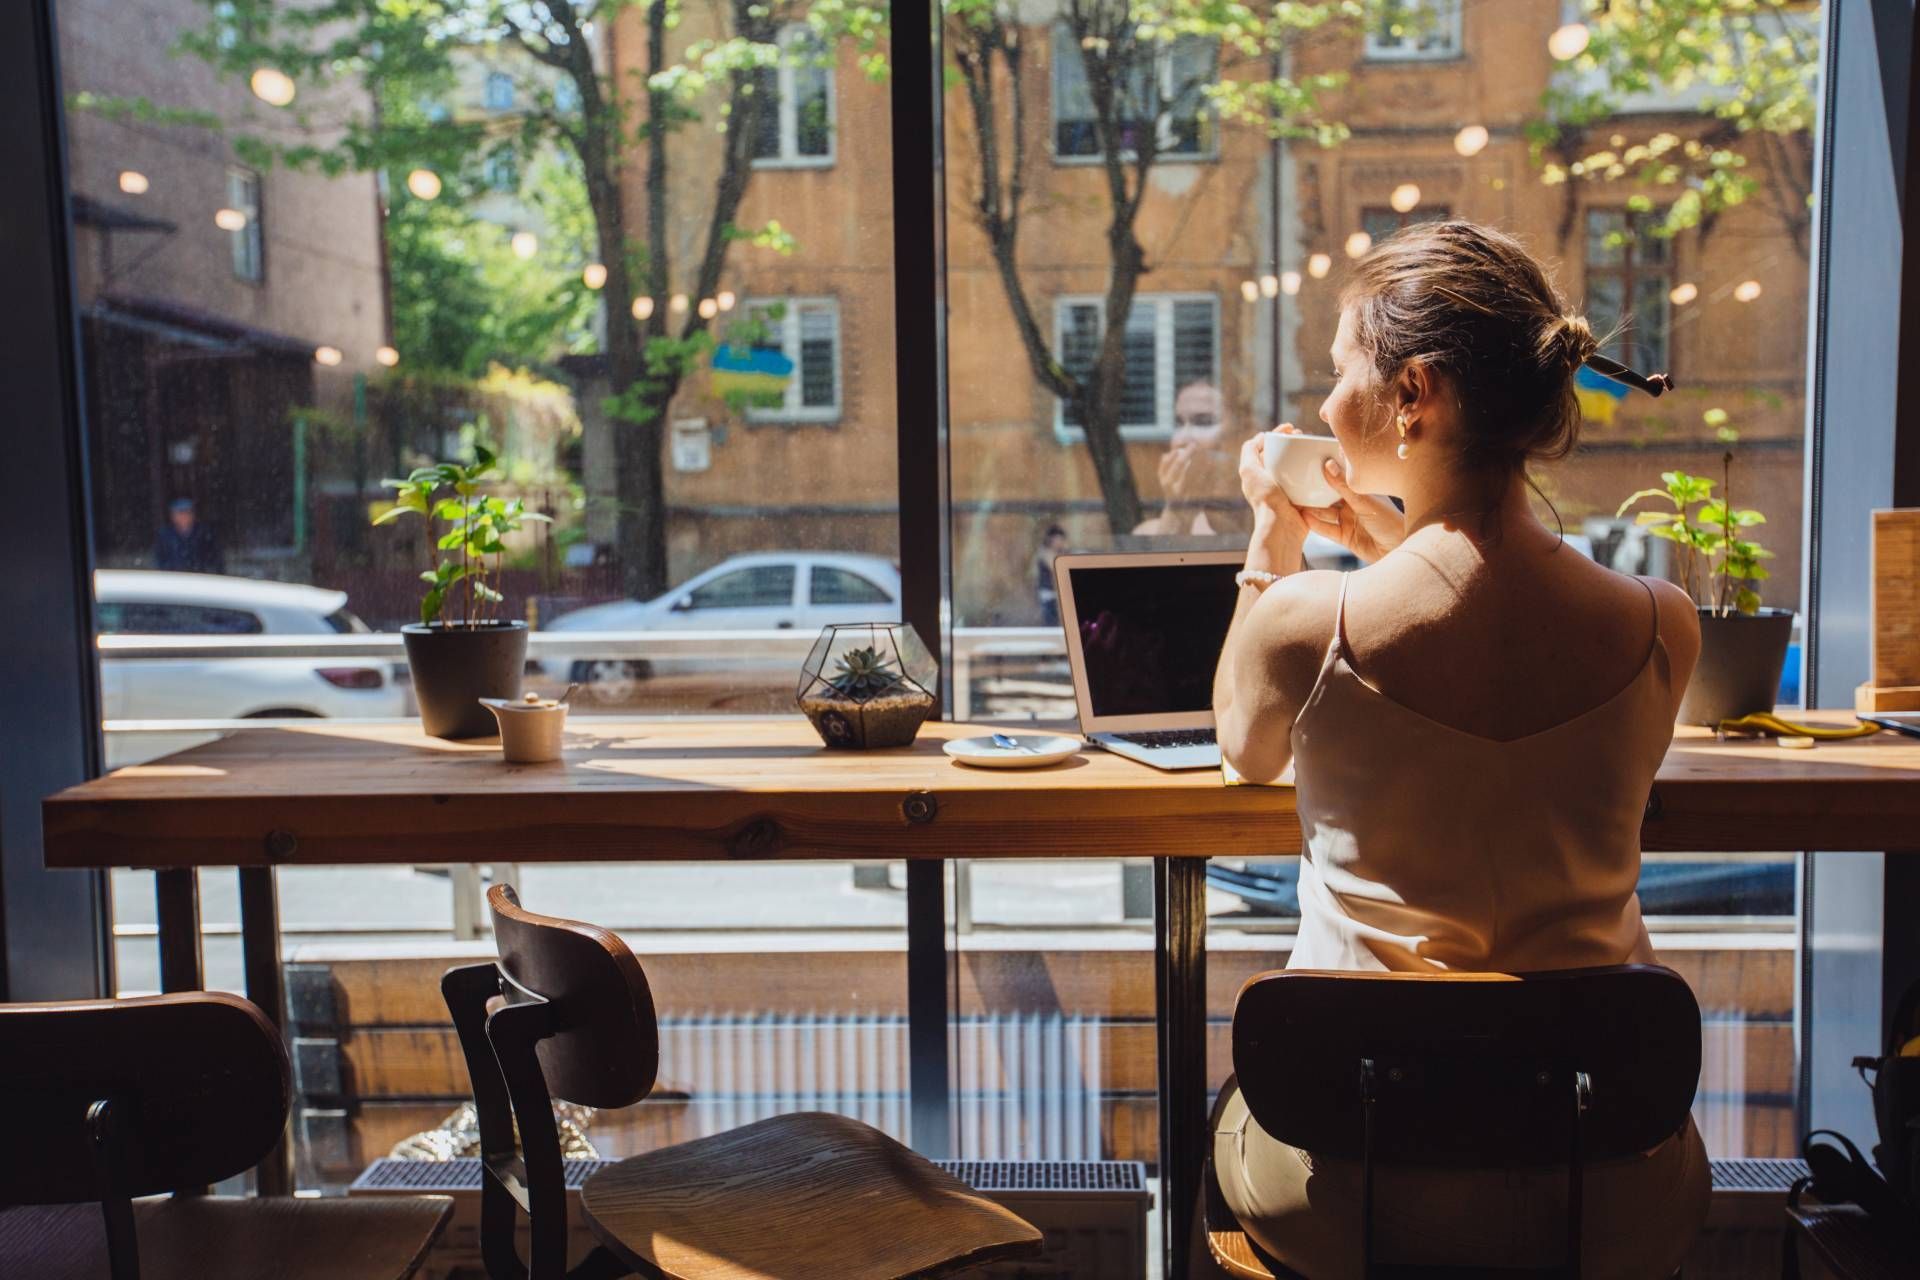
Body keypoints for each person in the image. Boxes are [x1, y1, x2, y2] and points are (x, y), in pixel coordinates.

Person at [1205, 221, 1706, 1279]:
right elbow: (1501, 656)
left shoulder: (1309, 621)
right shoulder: (1665, 625)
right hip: (1598, 1178)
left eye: (1344, 363)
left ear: (1413, 392)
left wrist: (1272, 545)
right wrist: (1388, 548)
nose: (1333, 390)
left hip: (1360, 1180)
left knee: (1219, 1120)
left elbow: (1243, 749)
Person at [1133, 382, 1247, 538]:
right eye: (1178, 423)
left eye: (1204, 422)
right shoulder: (1146, 533)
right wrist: (1177, 510)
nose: (1182, 439)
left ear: (1240, 433)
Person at [154, 498, 224, 574]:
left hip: (200, 577)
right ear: (173, 516)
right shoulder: (164, 535)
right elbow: (159, 559)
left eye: (187, 513)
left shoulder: (204, 533)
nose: (184, 517)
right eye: (180, 513)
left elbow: (215, 559)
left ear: (193, 515)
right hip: (173, 578)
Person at [1033, 524, 1069, 624]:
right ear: (1051, 540)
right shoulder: (1045, 553)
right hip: (1048, 595)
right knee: (1050, 623)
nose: (1060, 543)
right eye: (1058, 540)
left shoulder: (1060, 553)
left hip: (1057, 595)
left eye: (1062, 540)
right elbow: (1056, 568)